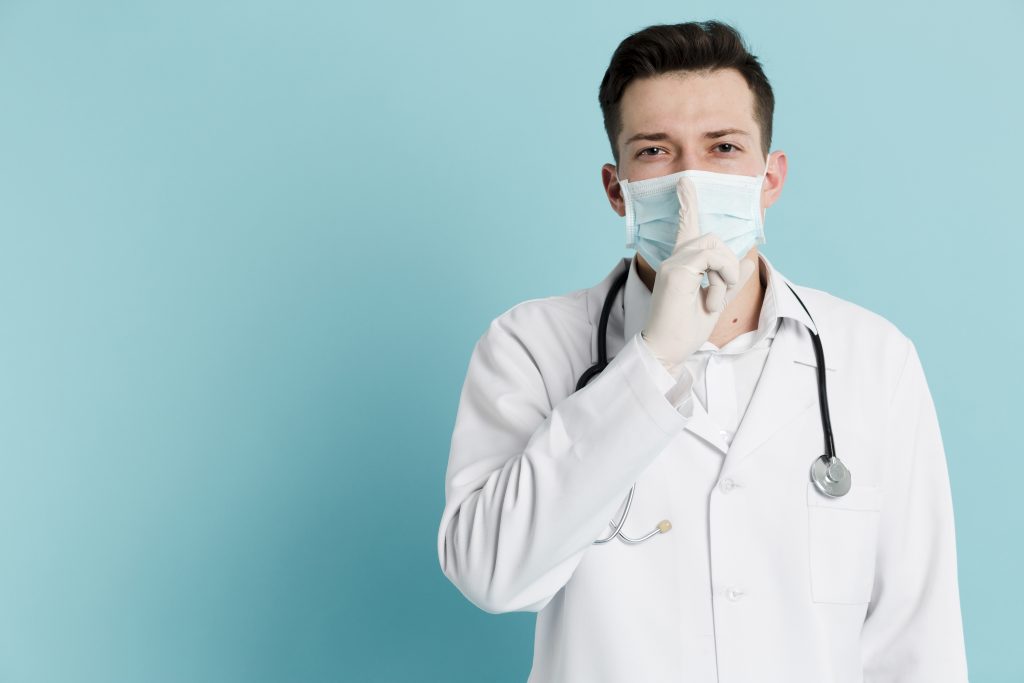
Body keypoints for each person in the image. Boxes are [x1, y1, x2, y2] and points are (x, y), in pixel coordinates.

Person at [437, 20, 968, 683]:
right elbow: (490, 574)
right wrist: (653, 358)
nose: (691, 181)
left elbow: (917, 641)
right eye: (656, 151)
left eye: (723, 147)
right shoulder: (531, 346)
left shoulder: (874, 359)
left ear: (770, 178)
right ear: (617, 189)